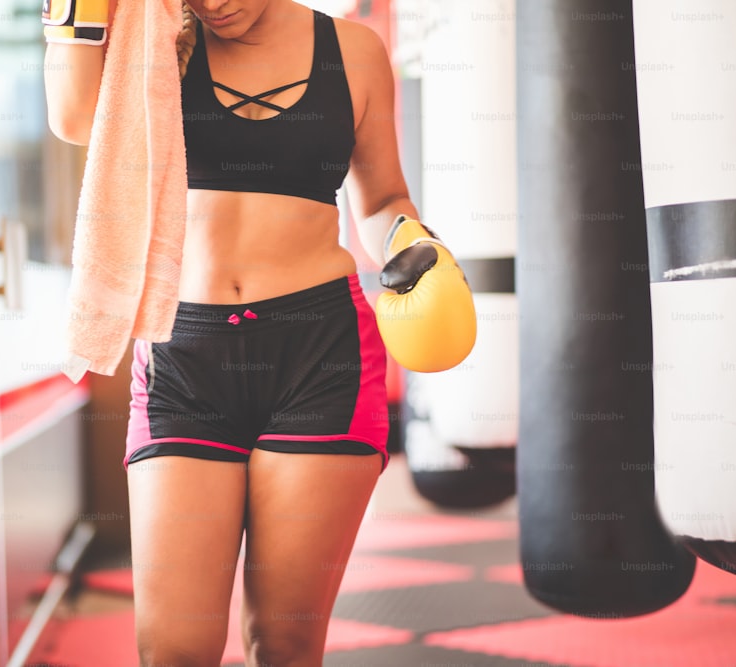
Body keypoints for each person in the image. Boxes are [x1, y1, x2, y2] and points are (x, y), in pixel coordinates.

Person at [44, 1, 458, 664]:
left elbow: (381, 201)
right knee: (174, 648)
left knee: (285, 643)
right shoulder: (158, 41)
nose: (212, 5)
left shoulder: (353, 51)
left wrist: (414, 247)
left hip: (320, 355)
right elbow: (72, 117)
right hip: (185, 356)